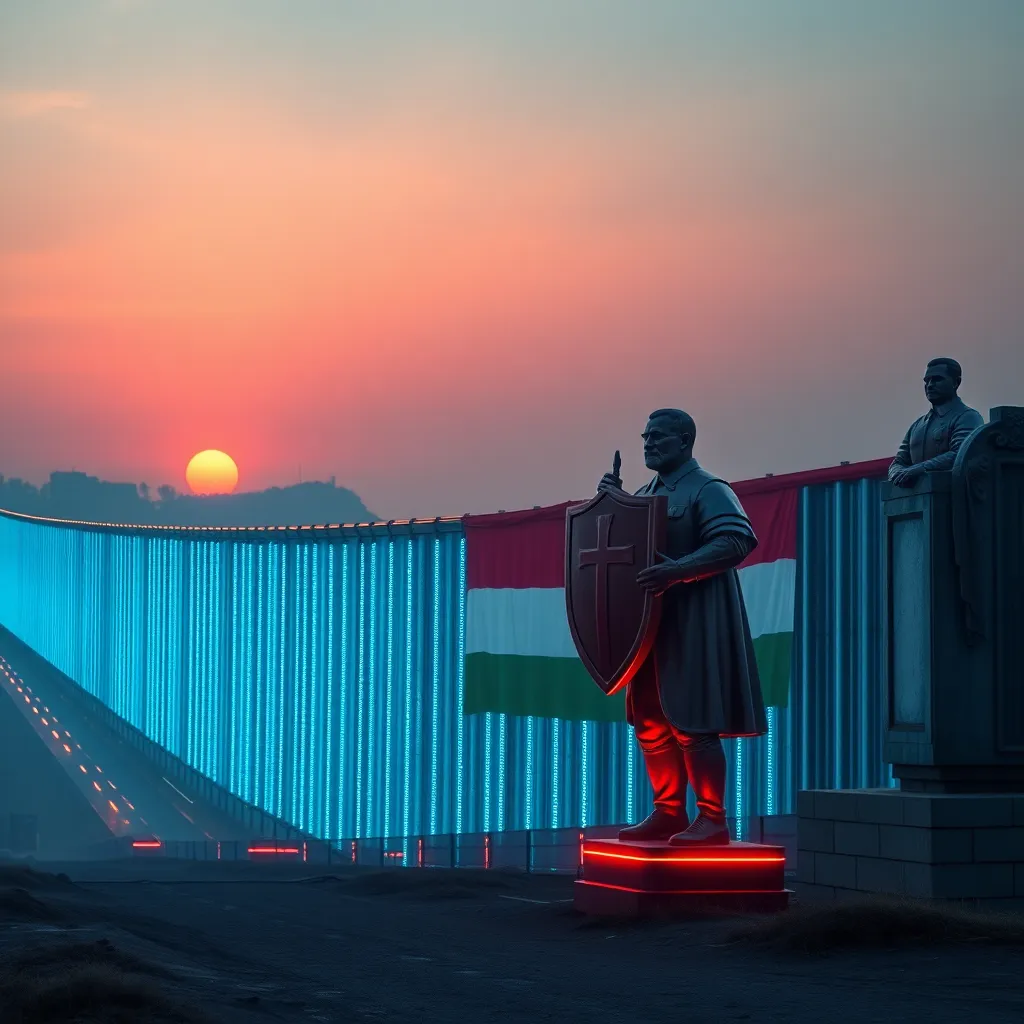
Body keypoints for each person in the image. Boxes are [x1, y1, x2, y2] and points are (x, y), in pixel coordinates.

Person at [598, 408, 767, 846]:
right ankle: (668, 811)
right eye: (645, 436)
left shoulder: (707, 489)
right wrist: (609, 506)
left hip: (694, 623)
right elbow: (623, 550)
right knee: (651, 723)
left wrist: (680, 571)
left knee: (693, 721)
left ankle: (712, 819)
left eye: (659, 437)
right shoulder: (643, 492)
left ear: (685, 440)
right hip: (648, 629)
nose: (649, 443)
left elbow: (736, 540)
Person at [889, 358, 983, 487]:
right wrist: (896, 473)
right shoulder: (917, 426)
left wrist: (917, 470)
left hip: (951, 497)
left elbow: (960, 454)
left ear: (956, 382)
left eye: (937, 379)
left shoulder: (968, 417)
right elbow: (899, 461)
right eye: (927, 381)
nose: (930, 385)